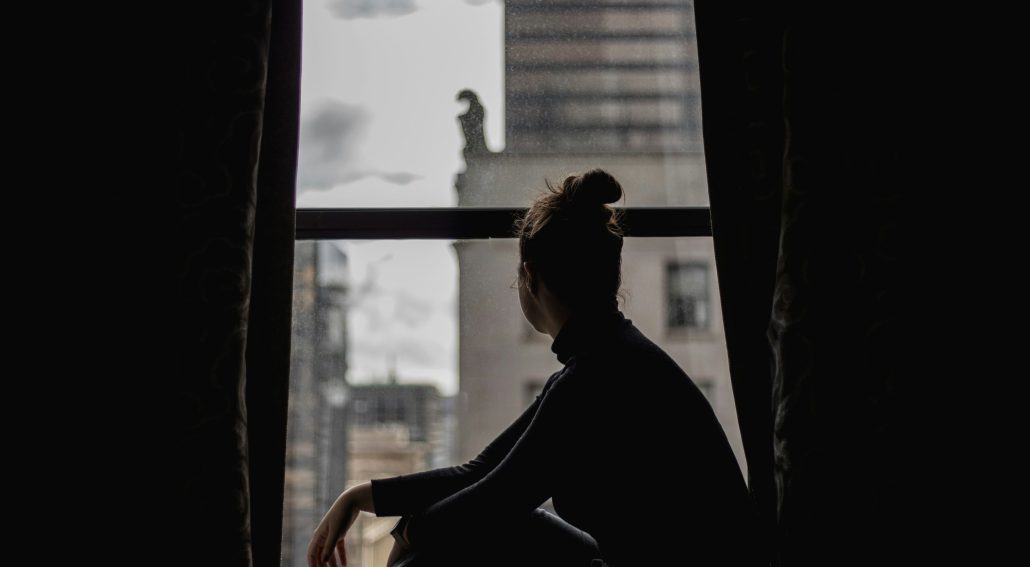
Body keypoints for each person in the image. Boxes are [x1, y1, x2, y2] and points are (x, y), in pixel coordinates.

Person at [308, 169, 765, 567]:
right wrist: (363, 496)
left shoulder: (595, 376)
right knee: (461, 522)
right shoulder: (607, 359)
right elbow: (481, 471)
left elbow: (494, 500)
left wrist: (411, 534)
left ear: (530, 276)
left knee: (468, 525)